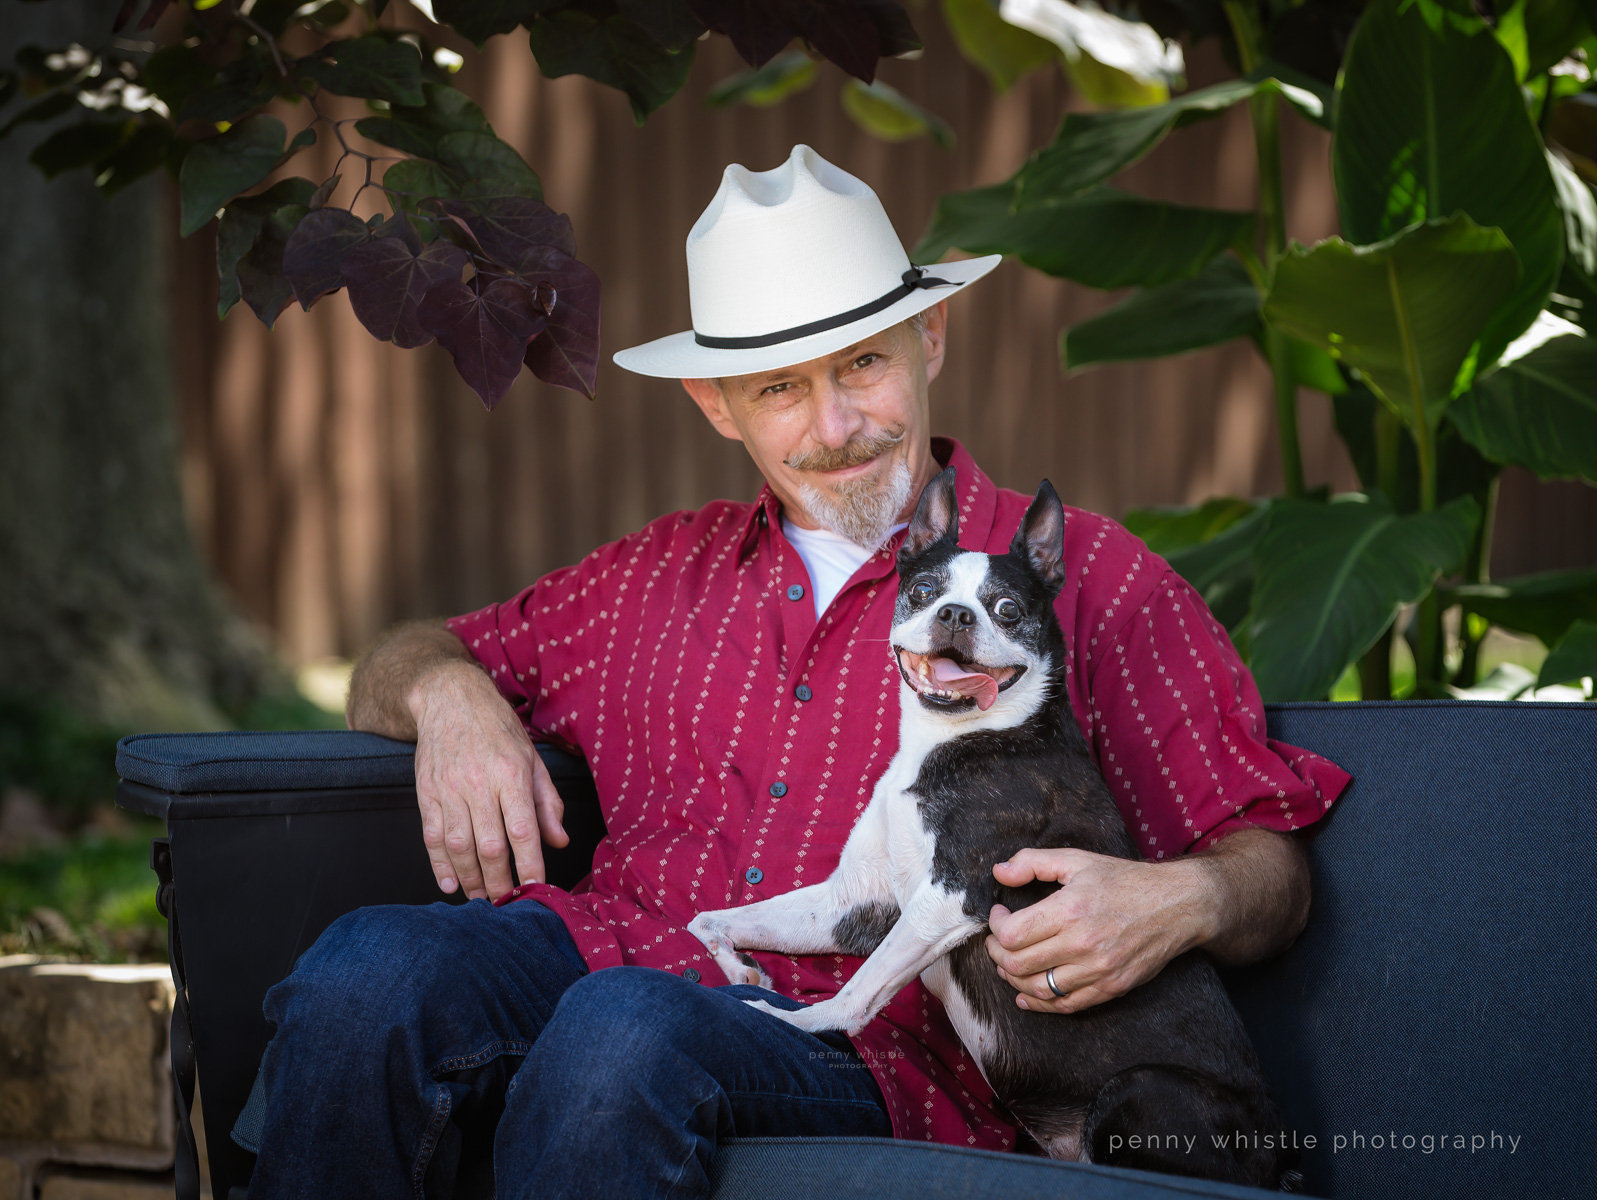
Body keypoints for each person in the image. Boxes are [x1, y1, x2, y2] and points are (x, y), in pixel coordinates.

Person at [242, 144, 1351, 1199]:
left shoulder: (1091, 579)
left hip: (862, 1042)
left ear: (933, 340)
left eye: (863, 363)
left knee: (623, 1032)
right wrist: (449, 695)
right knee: (365, 972)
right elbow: (402, 657)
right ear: (716, 404)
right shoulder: (649, 575)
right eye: (779, 388)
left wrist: (1184, 897)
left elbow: (1271, 865)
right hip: (607, 951)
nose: (836, 426)